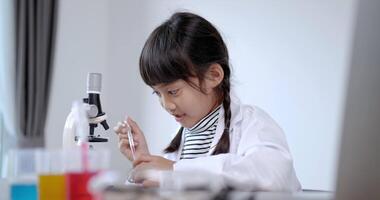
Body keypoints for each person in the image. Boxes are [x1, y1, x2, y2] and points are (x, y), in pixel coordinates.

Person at [114, 12, 301, 191]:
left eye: (173, 91)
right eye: (158, 94)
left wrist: (174, 171)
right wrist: (143, 163)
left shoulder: (252, 123)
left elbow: (272, 176)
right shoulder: (178, 144)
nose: (167, 105)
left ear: (214, 76)